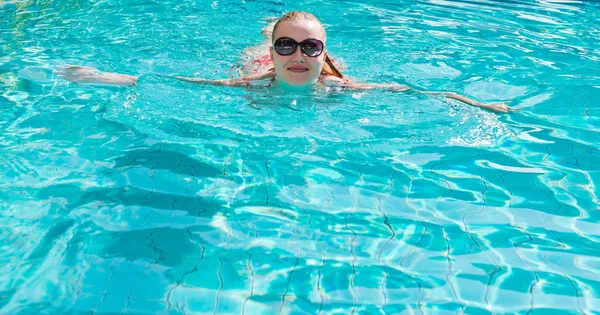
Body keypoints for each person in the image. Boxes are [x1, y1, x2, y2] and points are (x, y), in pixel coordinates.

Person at [55, 11, 513, 113]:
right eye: (287, 46)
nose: (298, 55)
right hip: (256, 67)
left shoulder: (340, 87)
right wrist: (104, 77)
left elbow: (419, 93)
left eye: (310, 47)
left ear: (323, 53)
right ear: (276, 53)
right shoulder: (253, 83)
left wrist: (478, 105)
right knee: (244, 60)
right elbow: (184, 83)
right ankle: (263, 33)